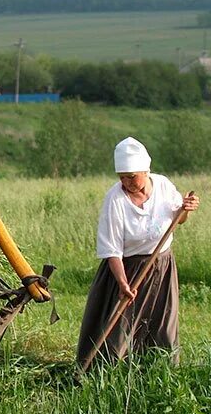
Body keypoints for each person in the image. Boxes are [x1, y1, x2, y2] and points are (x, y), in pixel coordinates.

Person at [76, 137, 200, 366]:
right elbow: (112, 249)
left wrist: (186, 209)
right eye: (122, 177)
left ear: (145, 170)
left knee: (161, 322)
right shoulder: (115, 200)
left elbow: (177, 219)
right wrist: (123, 283)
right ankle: (105, 372)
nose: (127, 182)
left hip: (161, 266)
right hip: (127, 269)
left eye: (131, 176)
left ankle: (158, 369)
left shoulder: (163, 185)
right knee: (119, 329)